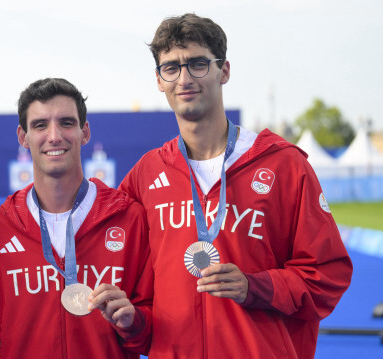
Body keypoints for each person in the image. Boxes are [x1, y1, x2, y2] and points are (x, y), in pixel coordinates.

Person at [118, 14, 353, 359]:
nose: (184, 78)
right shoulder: (146, 174)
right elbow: (127, 278)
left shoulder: (283, 165)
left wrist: (255, 286)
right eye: (171, 68)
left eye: (198, 64)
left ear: (224, 70)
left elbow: (327, 274)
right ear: (159, 79)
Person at [0, 78, 153, 358]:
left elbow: (151, 330)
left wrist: (132, 322)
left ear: (84, 132)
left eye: (66, 122)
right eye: (40, 125)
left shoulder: (128, 219)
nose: (54, 136)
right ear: (22, 137)